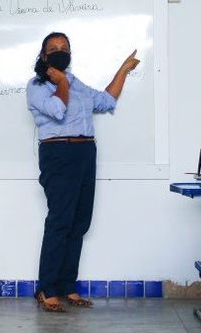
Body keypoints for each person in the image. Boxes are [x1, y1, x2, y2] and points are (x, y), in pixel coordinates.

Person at [26, 32, 140, 312]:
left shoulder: (75, 83)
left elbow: (105, 100)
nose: (59, 52)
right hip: (59, 153)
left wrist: (123, 69)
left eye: (64, 48)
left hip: (85, 152)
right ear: (43, 56)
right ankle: (47, 288)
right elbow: (57, 110)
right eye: (53, 49)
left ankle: (67, 287)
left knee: (79, 223)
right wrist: (61, 82)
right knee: (60, 222)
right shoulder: (37, 86)